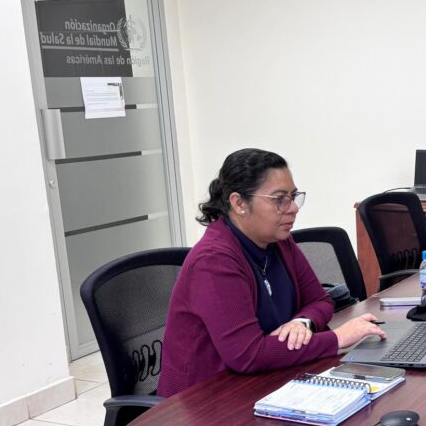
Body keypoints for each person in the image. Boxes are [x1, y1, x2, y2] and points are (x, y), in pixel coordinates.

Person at [158, 148, 385, 396]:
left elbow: (320, 300)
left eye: (293, 196)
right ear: (239, 203)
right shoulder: (214, 260)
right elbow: (248, 355)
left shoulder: (278, 241)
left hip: (265, 382)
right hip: (203, 404)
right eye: (279, 199)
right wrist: (337, 339)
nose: (293, 209)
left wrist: (301, 323)